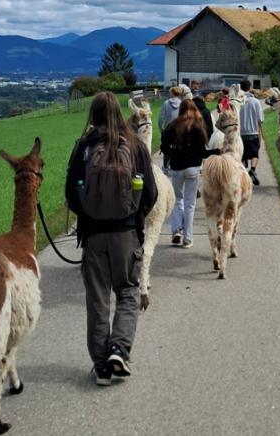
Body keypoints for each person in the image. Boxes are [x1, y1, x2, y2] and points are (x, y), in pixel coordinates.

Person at [65, 92, 158, 386]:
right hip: (127, 234)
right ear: (119, 112)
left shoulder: (84, 147)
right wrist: (135, 216)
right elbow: (152, 193)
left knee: (97, 298)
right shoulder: (135, 145)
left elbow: (71, 195)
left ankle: (101, 365)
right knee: (128, 292)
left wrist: (88, 215)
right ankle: (119, 348)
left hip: (93, 236)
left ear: (93, 115)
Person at [160, 99, 219, 248]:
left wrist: (174, 152)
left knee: (177, 199)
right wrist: (216, 152)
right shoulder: (199, 127)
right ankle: (188, 238)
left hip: (177, 167)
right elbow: (203, 152)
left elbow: (165, 148)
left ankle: (176, 231)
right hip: (193, 168)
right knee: (190, 203)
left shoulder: (172, 126)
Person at [238, 80, 263, 186]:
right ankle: (252, 169)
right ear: (250, 87)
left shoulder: (238, 101)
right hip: (253, 132)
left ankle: (243, 175)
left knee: (243, 155)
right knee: (254, 154)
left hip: (241, 133)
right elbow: (260, 119)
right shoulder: (256, 102)